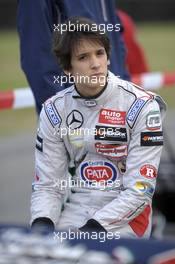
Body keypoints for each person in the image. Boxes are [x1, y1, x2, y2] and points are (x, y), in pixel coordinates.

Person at [31, 17, 166, 238]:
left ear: (108, 57)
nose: (95, 64)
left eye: (99, 53)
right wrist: (41, 225)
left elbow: (140, 190)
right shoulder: (54, 111)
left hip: (126, 216)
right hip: (76, 208)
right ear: (67, 68)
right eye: (83, 57)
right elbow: (48, 186)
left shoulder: (142, 105)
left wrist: (91, 232)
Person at [17, 0, 129, 114]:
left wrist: (124, 93)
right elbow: (37, 59)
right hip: (75, 117)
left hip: (116, 108)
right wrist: (63, 114)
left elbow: (116, 42)